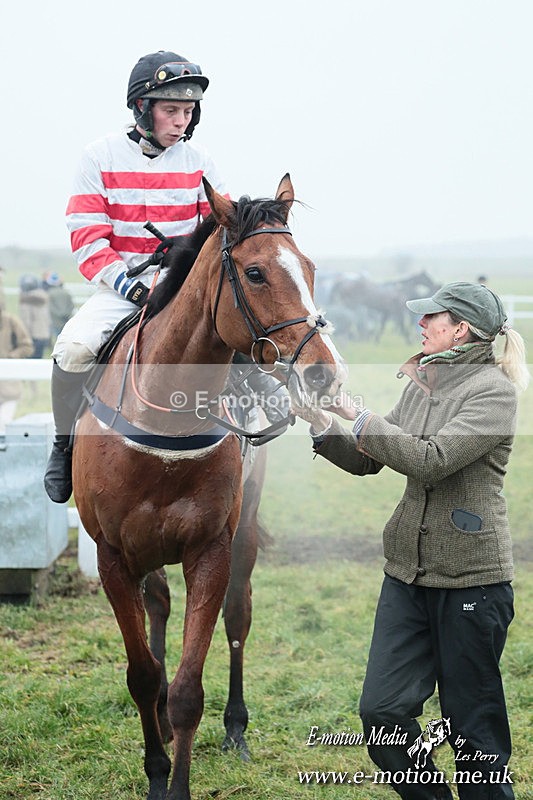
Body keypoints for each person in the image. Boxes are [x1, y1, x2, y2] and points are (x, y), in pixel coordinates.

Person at [293, 282, 529, 800]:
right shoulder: (421, 385)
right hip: (405, 576)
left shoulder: (493, 392)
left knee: (473, 732)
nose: (420, 325)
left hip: (473, 582)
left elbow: (431, 458)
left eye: (431, 319)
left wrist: (359, 416)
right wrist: (320, 423)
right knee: (382, 713)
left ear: (460, 329)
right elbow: (371, 457)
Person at [45, 49, 288, 505]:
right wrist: (131, 286)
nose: (181, 120)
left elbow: (222, 228)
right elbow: (89, 239)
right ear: (142, 107)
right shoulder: (97, 157)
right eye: (171, 110)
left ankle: (245, 442)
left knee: (238, 341)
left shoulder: (200, 160)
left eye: (188, 111)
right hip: (121, 289)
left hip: (185, 289)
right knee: (73, 351)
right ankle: (62, 447)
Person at [0, 301, 33, 432]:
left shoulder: (11, 322)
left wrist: (11, 357)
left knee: (3, 424)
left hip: (9, 386)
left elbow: (27, 346)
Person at [18, 274, 50, 359]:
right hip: (43, 334)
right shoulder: (43, 298)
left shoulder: (26, 301)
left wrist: (24, 337)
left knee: (29, 364)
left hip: (32, 336)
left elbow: (26, 321)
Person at [43, 272, 74, 340]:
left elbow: (50, 307)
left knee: (58, 337)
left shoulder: (49, 293)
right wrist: (66, 314)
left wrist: (59, 314)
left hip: (55, 320)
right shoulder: (66, 292)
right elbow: (71, 305)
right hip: (66, 319)